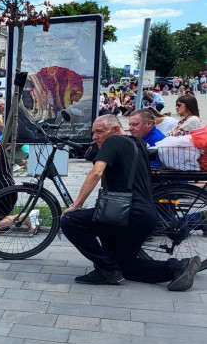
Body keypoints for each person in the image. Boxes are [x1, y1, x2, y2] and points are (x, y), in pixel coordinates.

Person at [60, 115, 200, 290]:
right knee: (125, 266)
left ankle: (107, 269)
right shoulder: (138, 144)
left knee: (70, 221)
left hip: (125, 212)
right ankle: (179, 267)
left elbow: (96, 172)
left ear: (117, 130)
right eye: (93, 132)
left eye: (99, 131)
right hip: (145, 216)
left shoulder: (114, 141)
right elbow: (89, 154)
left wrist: (77, 204)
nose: (94, 136)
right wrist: (96, 142)